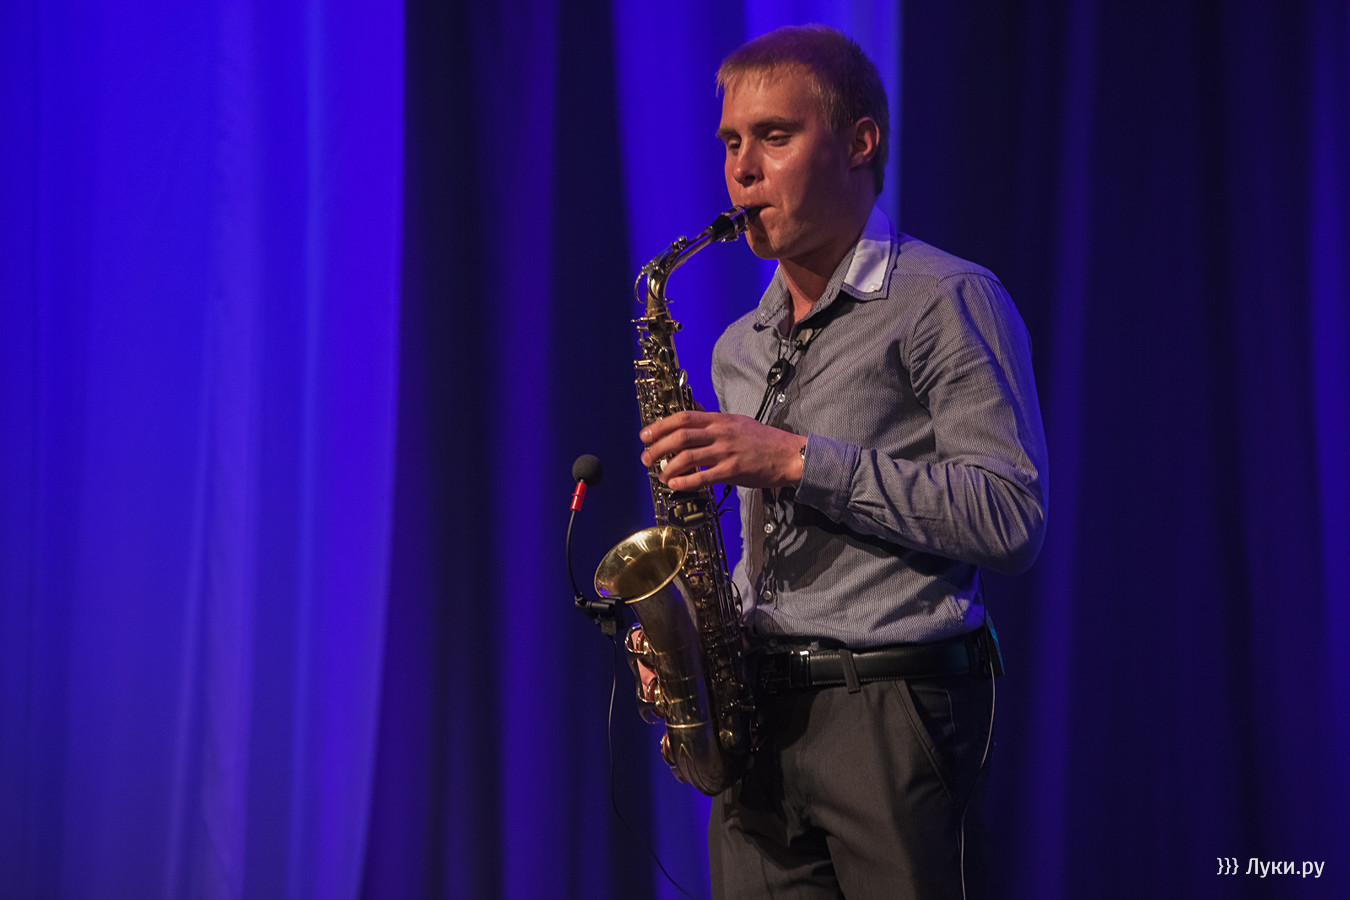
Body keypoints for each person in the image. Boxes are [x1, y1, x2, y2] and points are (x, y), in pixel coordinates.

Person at [635, 24, 1048, 900]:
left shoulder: (945, 300)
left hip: (893, 712)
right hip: (761, 720)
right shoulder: (738, 346)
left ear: (859, 142)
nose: (743, 170)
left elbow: (1011, 517)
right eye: (731, 143)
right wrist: (693, 646)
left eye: (774, 137)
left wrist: (795, 460)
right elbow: (767, 556)